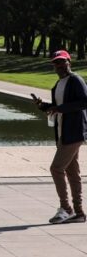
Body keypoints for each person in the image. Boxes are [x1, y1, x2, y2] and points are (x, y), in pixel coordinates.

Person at [33, 50, 87, 224]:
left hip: (74, 133)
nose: (59, 65)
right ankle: (78, 213)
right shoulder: (58, 85)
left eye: (62, 62)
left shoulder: (75, 80)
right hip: (63, 133)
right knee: (72, 172)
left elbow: (84, 102)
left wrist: (60, 109)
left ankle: (66, 208)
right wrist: (43, 106)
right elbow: (57, 107)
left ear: (69, 62)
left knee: (56, 168)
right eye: (56, 63)